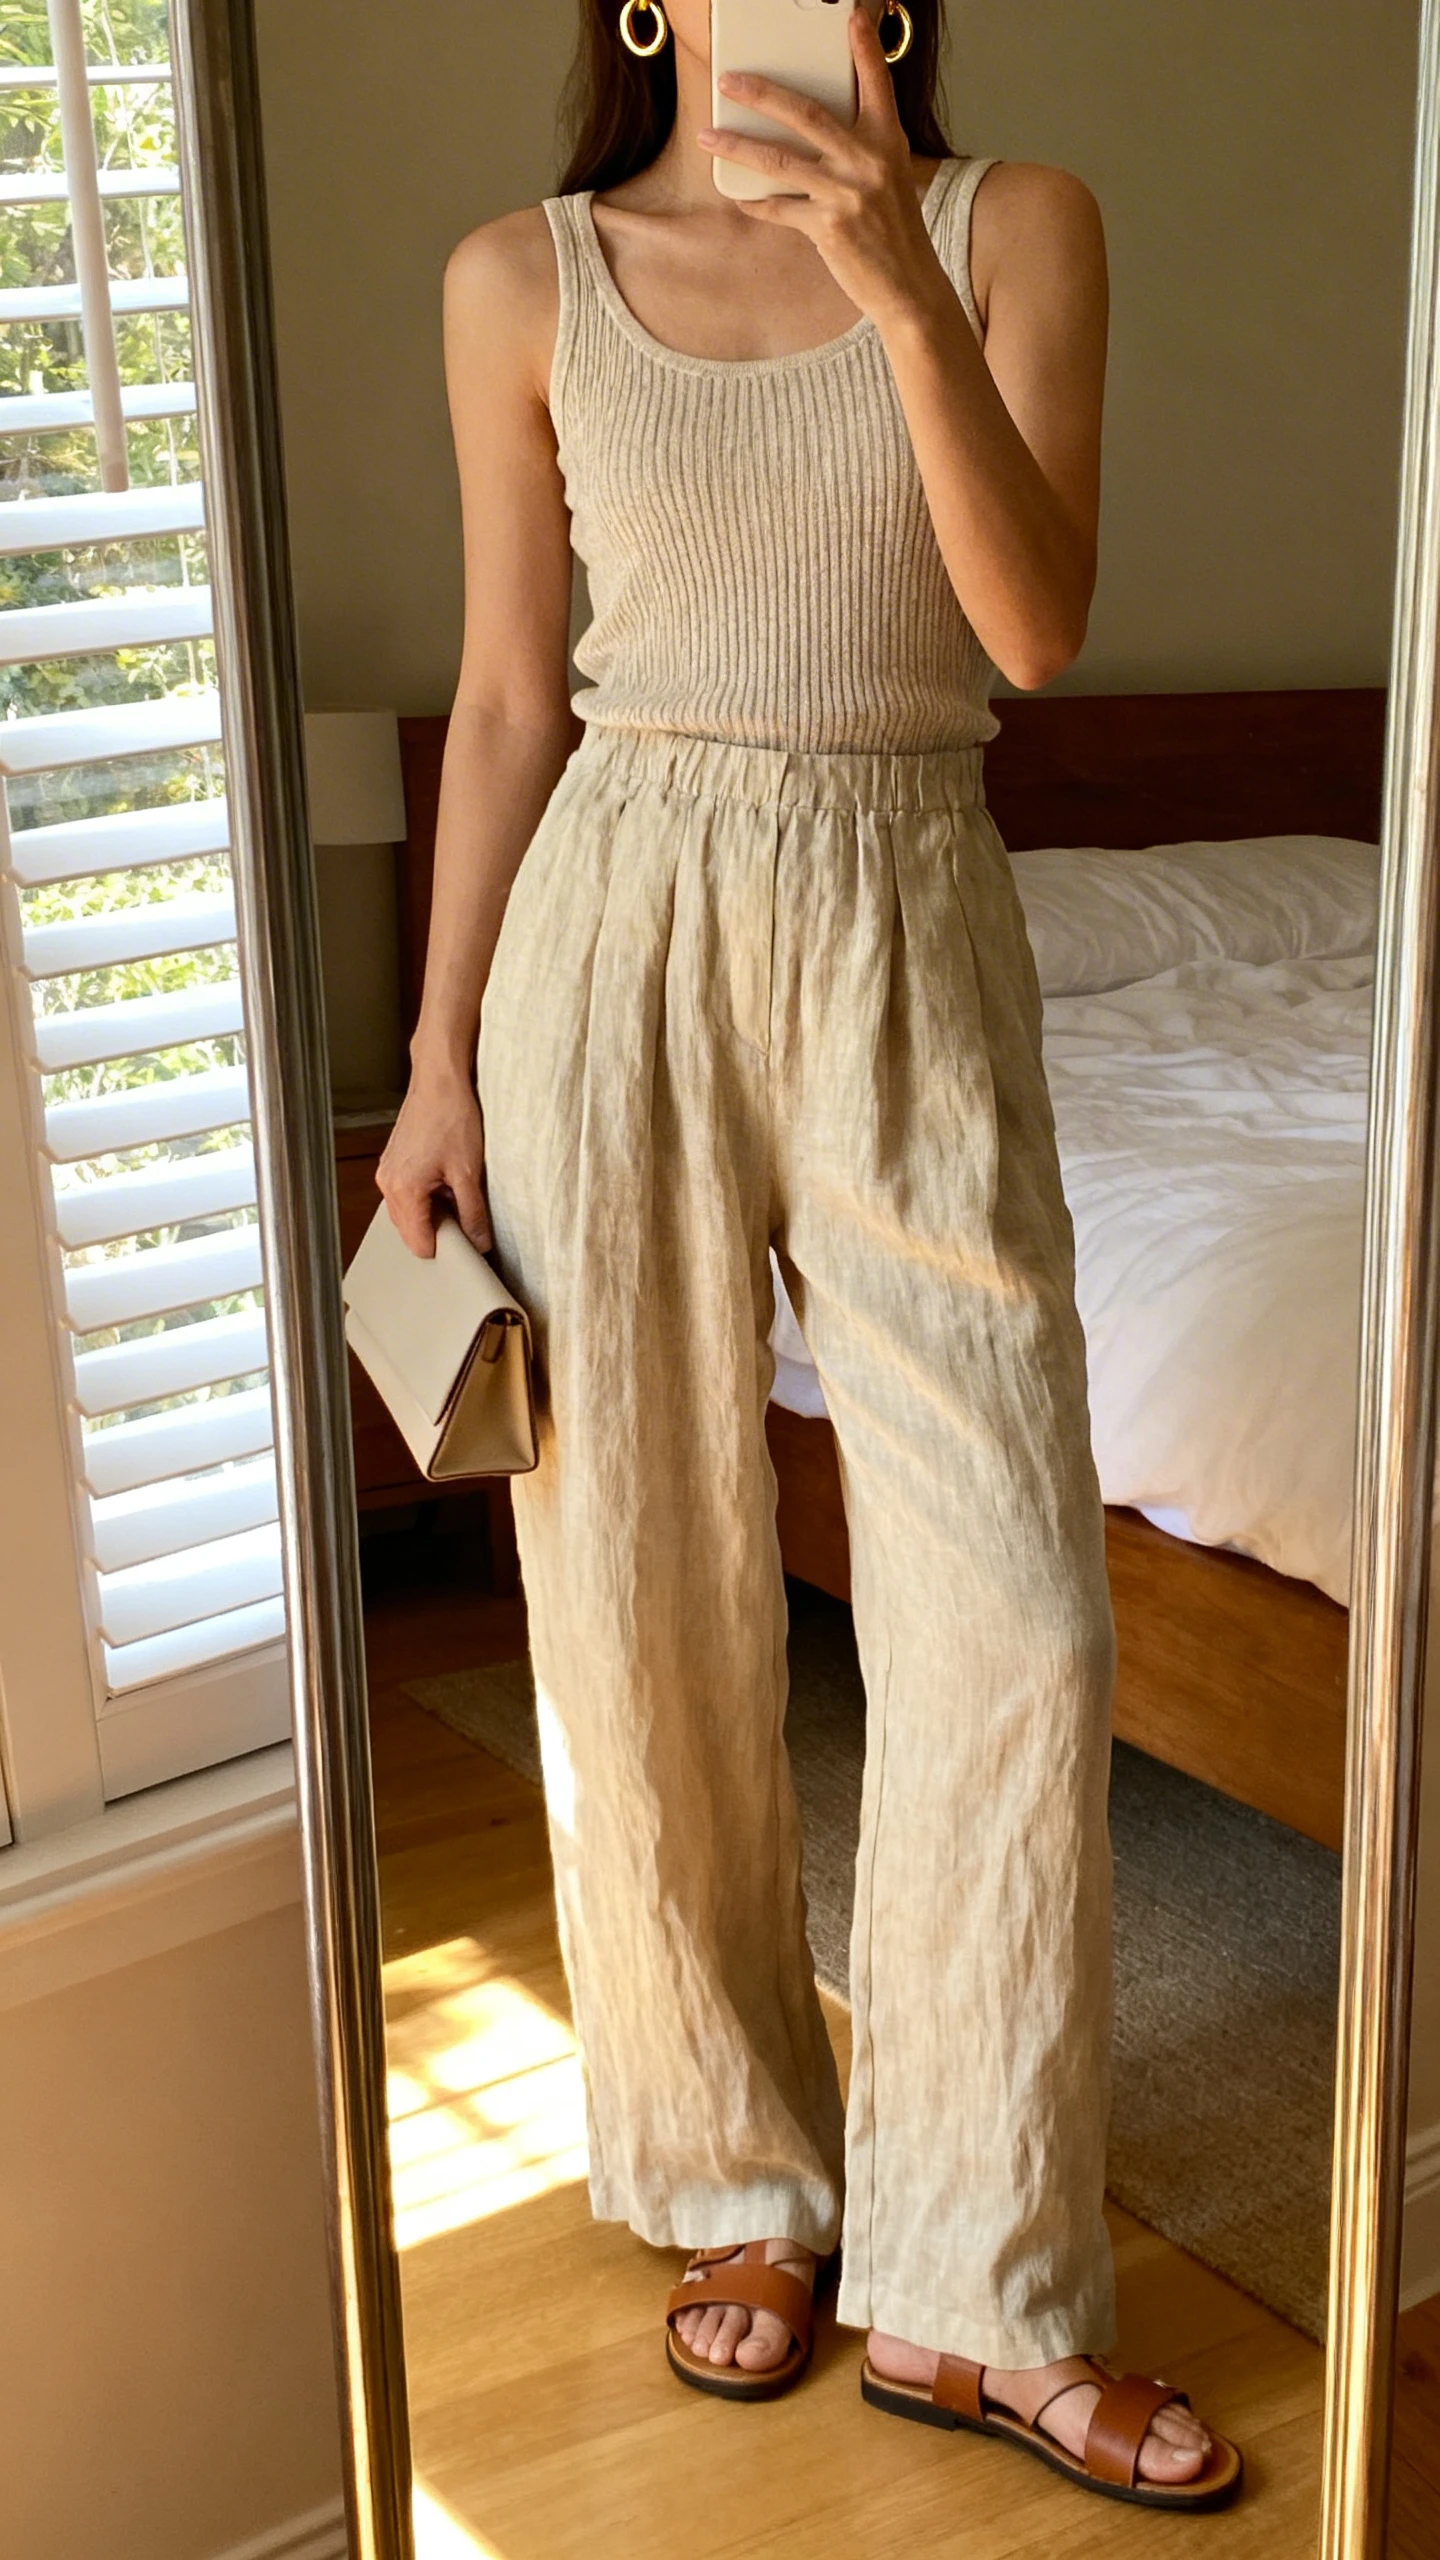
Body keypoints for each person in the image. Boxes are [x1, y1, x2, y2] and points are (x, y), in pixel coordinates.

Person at [377, 0, 1241, 2512]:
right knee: (637, 1583)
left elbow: (1034, 628)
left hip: (904, 906)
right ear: (647, 5)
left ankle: (990, 2282)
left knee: (1012, 1610)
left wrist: (896, 291)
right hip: (610, 929)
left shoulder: (1014, 228)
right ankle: (742, 2180)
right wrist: (435, 1059)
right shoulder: (518, 280)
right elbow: (515, 693)